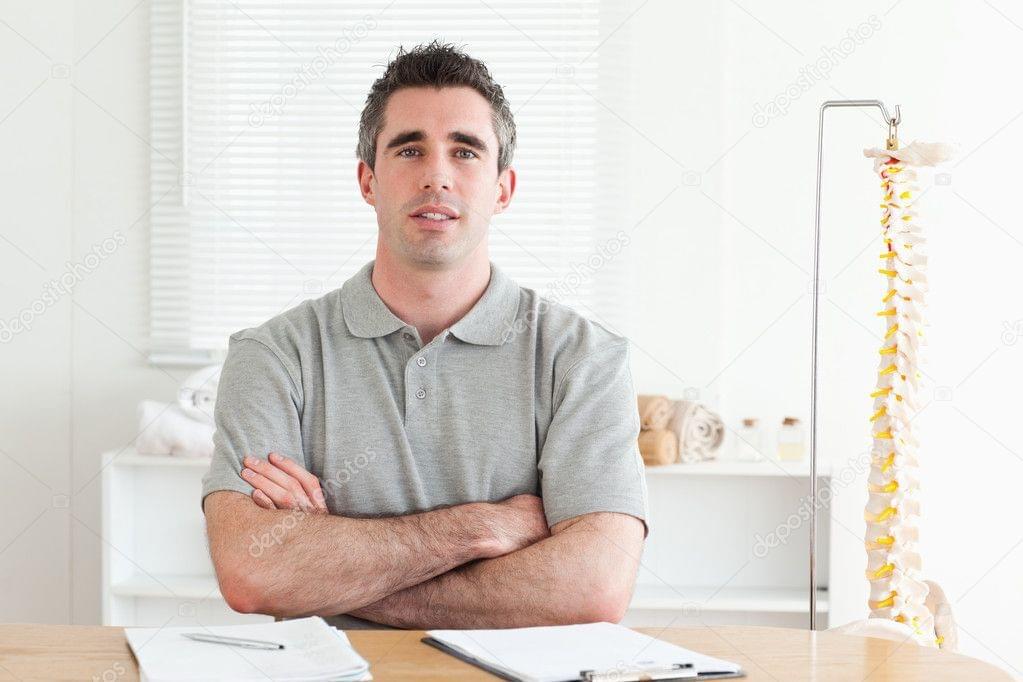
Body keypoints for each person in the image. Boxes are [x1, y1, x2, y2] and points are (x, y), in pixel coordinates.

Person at [201, 40, 648, 630]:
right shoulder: (273, 357)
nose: (437, 175)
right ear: (368, 180)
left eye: (465, 152)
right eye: (410, 150)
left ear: (503, 189)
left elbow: (595, 588)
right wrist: (482, 528)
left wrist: (327, 571)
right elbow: (252, 572)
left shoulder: (585, 359)